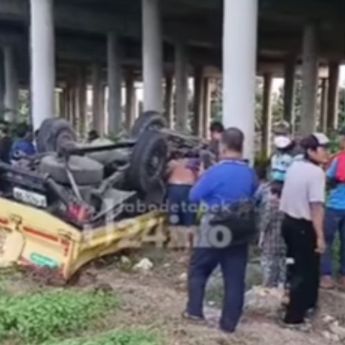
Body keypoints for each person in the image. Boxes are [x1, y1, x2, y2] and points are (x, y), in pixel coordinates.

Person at [184, 128, 257, 333]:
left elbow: (193, 196)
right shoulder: (249, 173)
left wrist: (201, 178)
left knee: (199, 269)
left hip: (215, 229)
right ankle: (229, 324)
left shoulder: (215, 172)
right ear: (241, 146)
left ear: (222, 147)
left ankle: (194, 311)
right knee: (234, 278)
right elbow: (254, 195)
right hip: (241, 231)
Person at [280, 133, 329, 327]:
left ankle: (300, 305)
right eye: (322, 148)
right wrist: (320, 237)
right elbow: (316, 207)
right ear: (311, 151)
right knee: (305, 270)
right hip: (303, 226)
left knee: (294, 267)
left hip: (288, 223)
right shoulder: (316, 173)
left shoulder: (294, 166)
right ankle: (294, 317)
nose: (326, 152)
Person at [321, 128, 345, 290]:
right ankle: (343, 277)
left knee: (326, 241)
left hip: (335, 206)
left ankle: (326, 276)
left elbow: (327, 178)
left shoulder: (339, 159)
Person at [166, 154, 198, 248]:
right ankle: (188, 244)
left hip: (173, 187)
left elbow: (164, 174)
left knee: (174, 216)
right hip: (188, 187)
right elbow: (201, 175)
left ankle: (175, 242)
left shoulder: (173, 163)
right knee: (189, 216)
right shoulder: (195, 162)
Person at [258, 183, 286, 288]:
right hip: (282, 240)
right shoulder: (285, 206)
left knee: (268, 261)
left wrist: (261, 238)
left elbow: (265, 223)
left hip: (270, 239)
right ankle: (281, 283)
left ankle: (268, 283)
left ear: (274, 194)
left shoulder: (270, 205)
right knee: (282, 262)